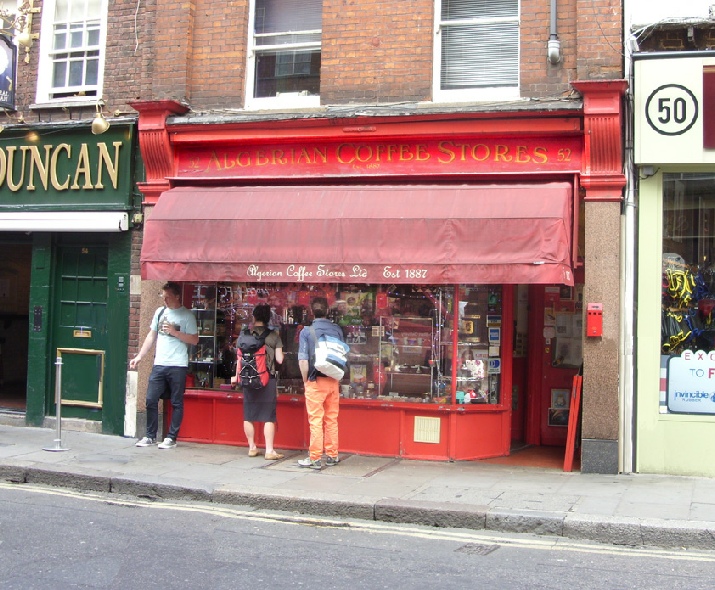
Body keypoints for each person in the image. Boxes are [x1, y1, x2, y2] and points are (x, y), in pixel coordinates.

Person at [131, 281, 199, 449]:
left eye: (168, 296)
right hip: (159, 363)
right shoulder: (160, 312)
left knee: (176, 401)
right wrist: (140, 356)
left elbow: (194, 339)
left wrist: (175, 333)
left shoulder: (187, 316)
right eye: (163, 296)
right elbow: (151, 335)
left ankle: (171, 437)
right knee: (150, 399)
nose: (165, 300)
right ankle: (150, 435)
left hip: (178, 364)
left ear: (177, 296)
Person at [297, 297, 346, 470]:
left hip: (315, 380)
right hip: (333, 379)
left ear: (312, 311)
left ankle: (315, 458)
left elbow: (303, 361)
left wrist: (305, 381)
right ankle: (332, 455)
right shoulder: (337, 330)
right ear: (327, 311)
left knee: (316, 420)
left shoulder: (306, 332)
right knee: (332, 419)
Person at [231, 303, 285, 460]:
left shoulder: (244, 334)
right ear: (269, 319)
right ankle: (269, 450)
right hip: (267, 378)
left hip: (247, 377)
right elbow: (280, 360)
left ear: (254, 317)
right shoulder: (274, 335)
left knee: (248, 414)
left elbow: (239, 357)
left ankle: (252, 447)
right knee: (268, 416)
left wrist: (237, 377)